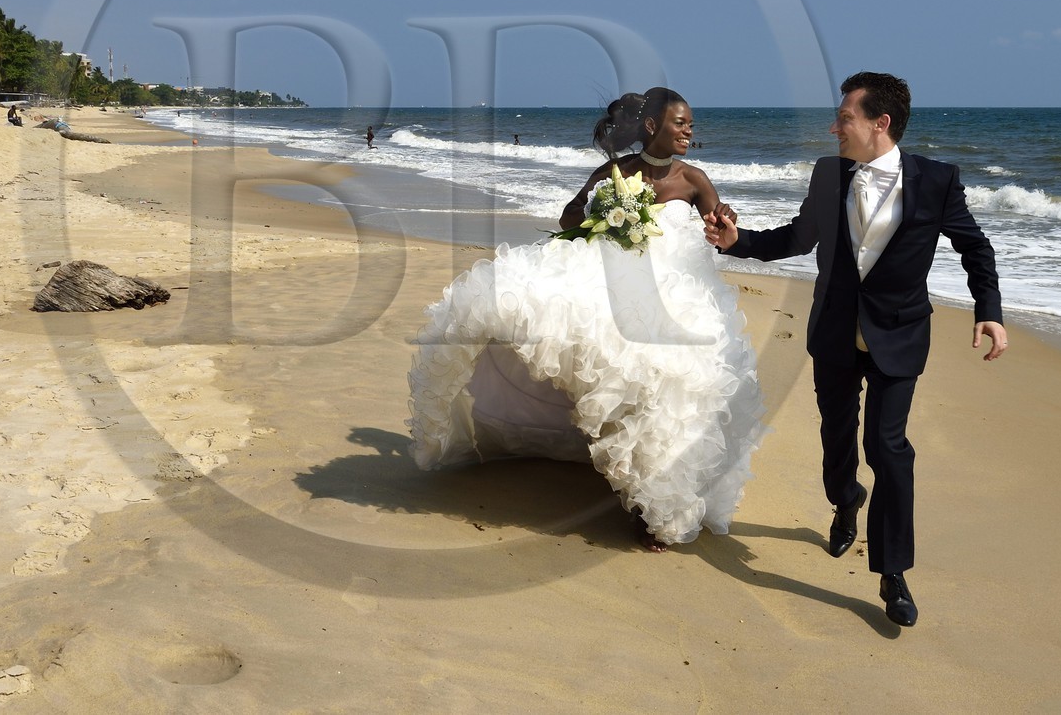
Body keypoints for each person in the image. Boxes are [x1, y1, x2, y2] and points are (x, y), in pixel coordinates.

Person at [704, 71, 1005, 628]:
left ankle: (893, 572)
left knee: (889, 447)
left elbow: (975, 247)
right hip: (836, 331)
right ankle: (845, 500)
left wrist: (989, 310)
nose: (834, 127)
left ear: (879, 123)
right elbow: (797, 238)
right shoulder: (828, 174)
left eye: (844, 117)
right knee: (836, 436)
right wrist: (736, 242)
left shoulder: (938, 181)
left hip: (901, 333)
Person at [409, 87, 764, 551]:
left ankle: (651, 502)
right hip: (614, 280)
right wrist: (608, 212)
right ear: (653, 126)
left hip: (678, 291)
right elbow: (568, 216)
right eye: (681, 123)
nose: (689, 131)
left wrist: (726, 220)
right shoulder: (616, 172)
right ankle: (629, 484)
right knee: (591, 352)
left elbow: (719, 225)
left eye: (692, 124)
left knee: (671, 383)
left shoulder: (694, 178)